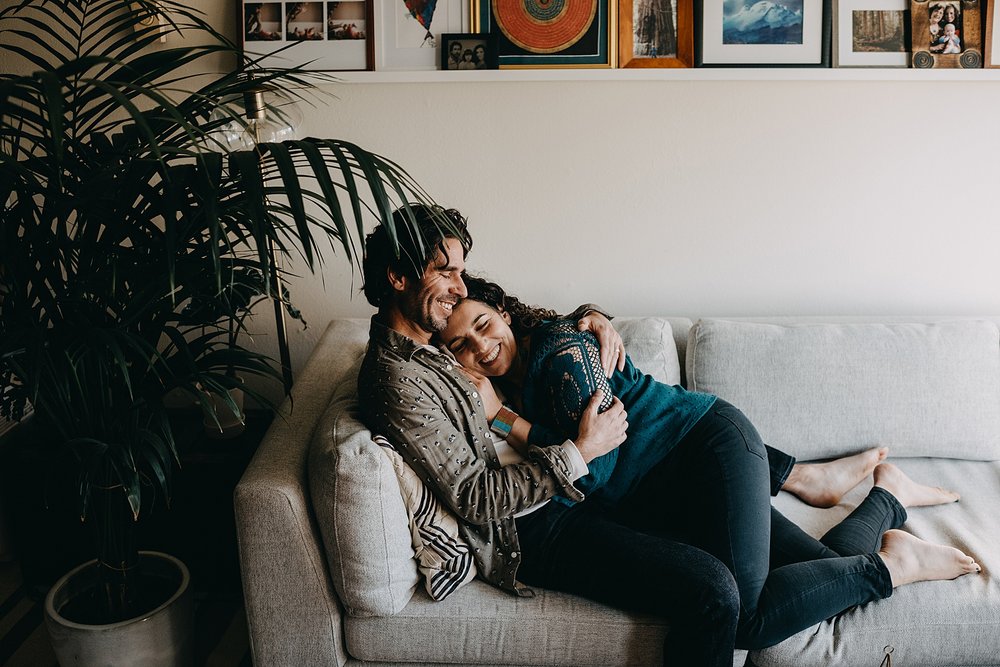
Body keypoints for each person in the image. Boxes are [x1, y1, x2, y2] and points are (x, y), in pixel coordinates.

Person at [436, 273, 981, 650]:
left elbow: (592, 471)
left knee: (744, 615)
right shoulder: (523, 373)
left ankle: (889, 568)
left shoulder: (555, 357)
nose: (480, 349)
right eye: (460, 346)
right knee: (819, 565)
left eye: (483, 326)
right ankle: (888, 498)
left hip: (707, 451)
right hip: (677, 486)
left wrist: (503, 420)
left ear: (505, 314)